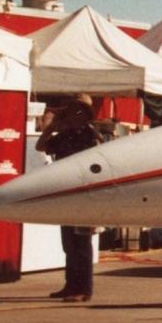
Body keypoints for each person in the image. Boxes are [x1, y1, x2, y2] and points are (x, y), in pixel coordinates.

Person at [36, 94, 107, 302]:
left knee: (81, 243)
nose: (73, 116)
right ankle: (71, 284)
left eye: (78, 112)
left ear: (85, 116)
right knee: (69, 242)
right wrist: (51, 127)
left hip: (84, 194)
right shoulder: (66, 135)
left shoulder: (89, 136)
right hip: (67, 192)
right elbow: (40, 147)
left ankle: (83, 288)